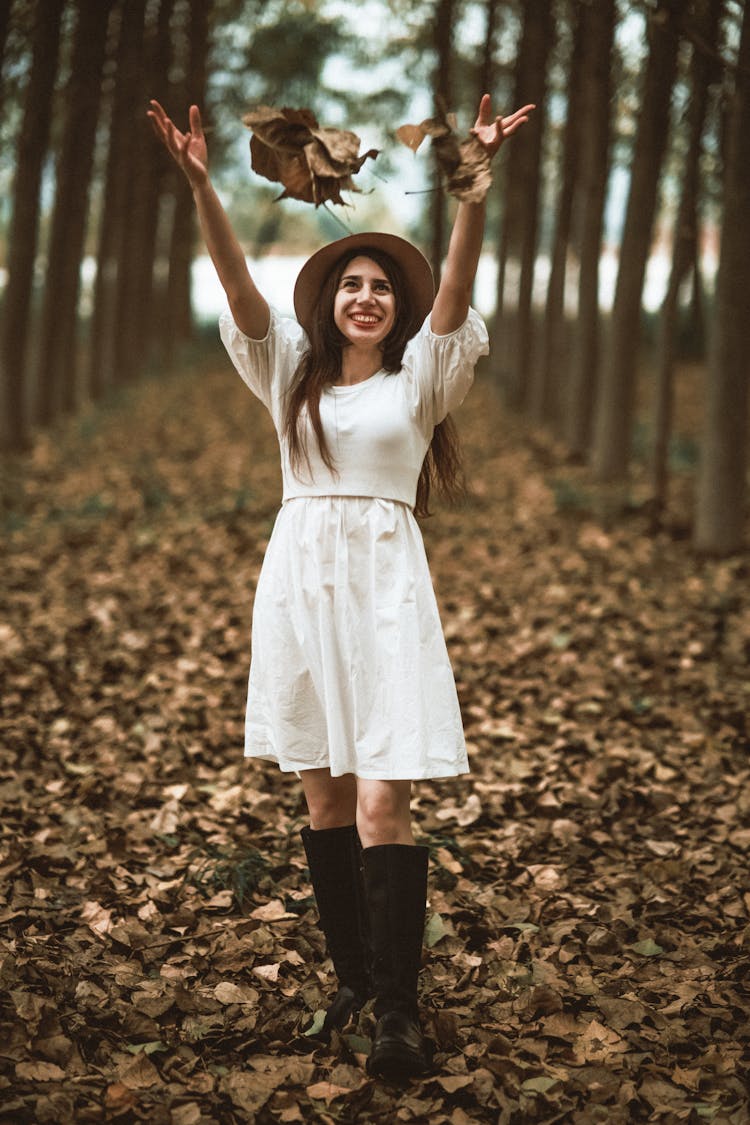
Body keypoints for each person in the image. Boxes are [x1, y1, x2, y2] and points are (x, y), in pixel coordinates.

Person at [148, 94, 533, 1081]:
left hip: (387, 594)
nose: (367, 296)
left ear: (398, 312)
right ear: (331, 301)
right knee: (322, 801)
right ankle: (355, 979)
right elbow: (238, 293)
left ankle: (398, 1014)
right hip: (300, 586)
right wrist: (202, 188)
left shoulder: (421, 383)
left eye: (382, 290)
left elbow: (453, 295)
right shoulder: (290, 375)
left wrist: (472, 196)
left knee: (378, 807)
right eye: (352, 284)